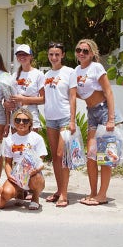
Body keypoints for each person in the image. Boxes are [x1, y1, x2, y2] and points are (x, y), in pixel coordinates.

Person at [69, 39, 123, 206]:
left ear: (92, 53)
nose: (81, 53)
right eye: (79, 50)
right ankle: (93, 192)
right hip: (92, 113)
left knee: (105, 156)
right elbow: (80, 93)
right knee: (91, 156)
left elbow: (108, 92)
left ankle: (102, 195)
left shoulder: (96, 68)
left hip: (104, 112)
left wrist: (111, 119)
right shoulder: (76, 70)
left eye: (85, 51)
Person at [43, 42, 76, 208]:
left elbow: (72, 97)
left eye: (57, 54)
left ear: (63, 55)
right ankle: (58, 190)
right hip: (50, 119)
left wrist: (72, 120)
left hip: (64, 118)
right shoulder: (46, 74)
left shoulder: (70, 72)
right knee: (55, 156)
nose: (54, 57)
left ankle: (64, 193)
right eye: (51, 54)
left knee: (62, 154)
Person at [0, 108, 47, 210]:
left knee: (37, 178)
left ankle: (35, 197)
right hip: (17, 174)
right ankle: (20, 193)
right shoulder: (9, 140)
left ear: (30, 123)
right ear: (14, 122)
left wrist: (35, 171)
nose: (21, 123)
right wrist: (9, 174)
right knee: (6, 193)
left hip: (32, 174)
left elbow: (40, 161)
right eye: (18, 120)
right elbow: (7, 163)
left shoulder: (37, 138)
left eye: (25, 121)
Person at [6, 44, 45, 131]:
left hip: (31, 114)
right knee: (16, 144)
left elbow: (43, 99)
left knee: (31, 144)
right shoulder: (14, 75)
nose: (22, 57)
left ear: (31, 56)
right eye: (19, 54)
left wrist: (23, 99)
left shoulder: (38, 74)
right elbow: (10, 96)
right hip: (16, 114)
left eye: (25, 54)